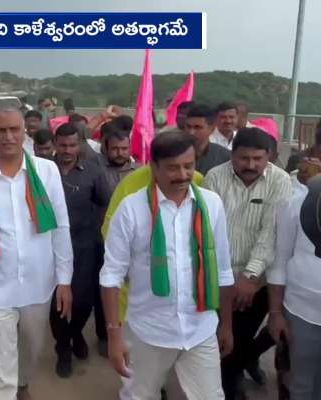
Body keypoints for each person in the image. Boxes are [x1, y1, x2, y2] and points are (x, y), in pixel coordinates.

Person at [100, 131, 235, 400]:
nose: (183, 175)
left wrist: (226, 325)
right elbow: (111, 276)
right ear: (154, 168)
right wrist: (114, 336)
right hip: (148, 332)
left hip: (201, 328)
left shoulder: (211, 205)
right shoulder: (131, 209)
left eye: (189, 166)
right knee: (139, 395)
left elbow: (222, 269)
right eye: (173, 168)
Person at [0, 108, 73, 400]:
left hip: (39, 282)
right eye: (1, 131)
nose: (8, 136)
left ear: (25, 132)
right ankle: (8, 392)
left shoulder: (46, 171)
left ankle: (22, 383)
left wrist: (64, 280)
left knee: (32, 348)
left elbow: (61, 226)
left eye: (14, 129)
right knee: (1, 361)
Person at [203, 127, 291, 399]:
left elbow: (271, 233)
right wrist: (226, 280)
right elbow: (208, 231)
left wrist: (251, 276)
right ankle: (231, 386)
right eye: (244, 159)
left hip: (259, 279)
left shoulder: (280, 180)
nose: (250, 165)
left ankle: (240, 367)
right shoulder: (215, 178)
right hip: (219, 276)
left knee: (243, 337)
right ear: (232, 154)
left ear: (269, 157)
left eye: (258, 159)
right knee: (223, 338)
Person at [268, 134, 321, 400]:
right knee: (302, 384)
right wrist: (275, 313)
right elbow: (280, 260)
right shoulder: (296, 204)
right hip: (304, 313)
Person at [51, 123, 110, 377]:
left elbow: (105, 203)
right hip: (49, 247)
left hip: (85, 246)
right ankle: (63, 348)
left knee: (84, 300)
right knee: (57, 302)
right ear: (55, 144)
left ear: (80, 144)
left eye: (72, 145)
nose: (67, 150)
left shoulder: (93, 171)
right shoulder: (43, 170)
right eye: (62, 145)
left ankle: (75, 333)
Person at [184, 104, 231, 175]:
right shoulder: (174, 153)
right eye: (188, 127)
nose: (191, 132)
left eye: (197, 127)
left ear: (211, 129)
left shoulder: (225, 157)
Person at [98, 127, 138, 194]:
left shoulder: (139, 171)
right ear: (106, 149)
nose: (119, 153)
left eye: (124, 148)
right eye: (114, 149)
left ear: (130, 149)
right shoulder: (97, 171)